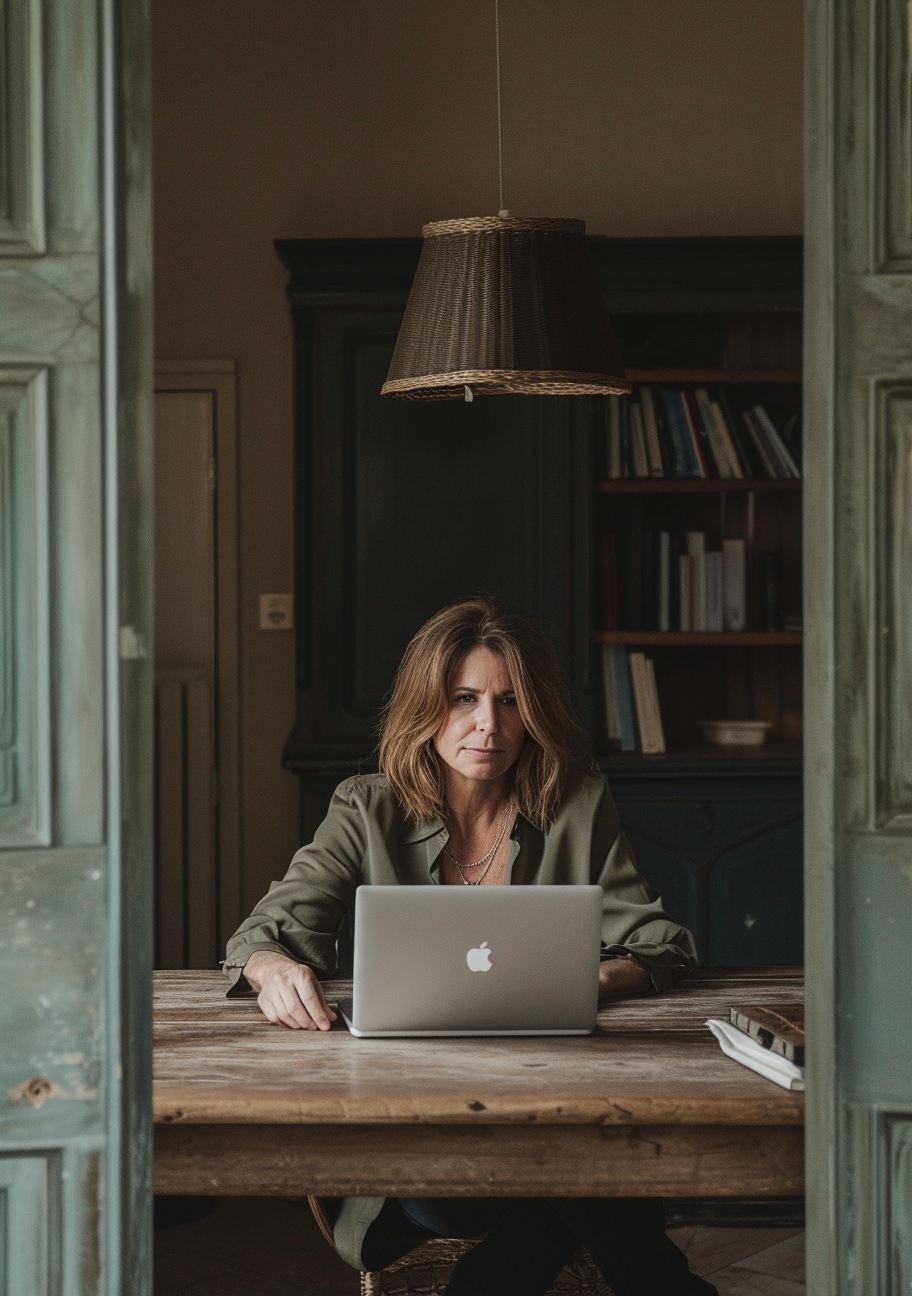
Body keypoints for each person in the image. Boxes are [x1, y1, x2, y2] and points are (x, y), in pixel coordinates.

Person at [224, 597, 717, 1296]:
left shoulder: (575, 801)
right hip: (414, 1126)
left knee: (573, 1156)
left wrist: (576, 985)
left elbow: (659, 945)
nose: (489, 725)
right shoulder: (367, 807)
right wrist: (272, 970)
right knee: (566, 1183)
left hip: (554, 1102)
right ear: (427, 706)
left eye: (511, 702)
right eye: (465, 698)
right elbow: (265, 932)